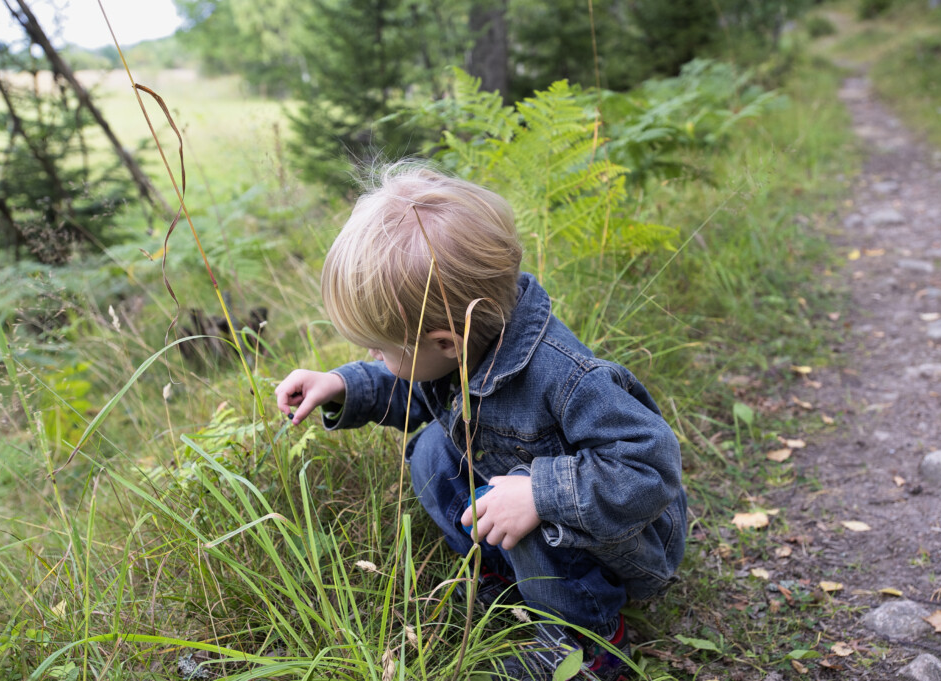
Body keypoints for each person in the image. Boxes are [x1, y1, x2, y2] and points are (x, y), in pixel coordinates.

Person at [274, 162, 687, 681]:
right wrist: (342, 384)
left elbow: (650, 466)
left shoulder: (567, 377)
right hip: (545, 524)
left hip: (625, 540)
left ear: (447, 341)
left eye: (378, 349)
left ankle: (589, 645)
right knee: (430, 450)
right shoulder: (464, 348)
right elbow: (414, 390)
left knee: (523, 497)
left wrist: (539, 494)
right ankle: (505, 577)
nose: (374, 356)